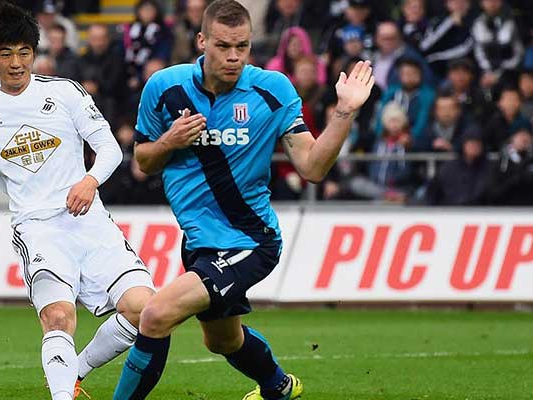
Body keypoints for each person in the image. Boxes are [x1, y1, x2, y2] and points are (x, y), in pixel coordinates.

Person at [112, 1, 375, 399]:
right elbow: (144, 161)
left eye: (243, 46)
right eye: (223, 46)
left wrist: (343, 112)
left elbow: (313, 167)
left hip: (250, 240)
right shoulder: (164, 87)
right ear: (201, 41)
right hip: (199, 241)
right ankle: (277, 386)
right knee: (221, 341)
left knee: (155, 315)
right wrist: (170, 140)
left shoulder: (272, 90)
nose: (233, 56)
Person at [0, 4, 155, 400]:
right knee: (58, 317)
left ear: (35, 54)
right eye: (6, 53)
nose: (16, 63)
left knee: (147, 312)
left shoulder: (65, 92)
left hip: (90, 220)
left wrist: (90, 180)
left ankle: (75, 373)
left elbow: (108, 147)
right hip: (39, 228)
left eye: (24, 52)